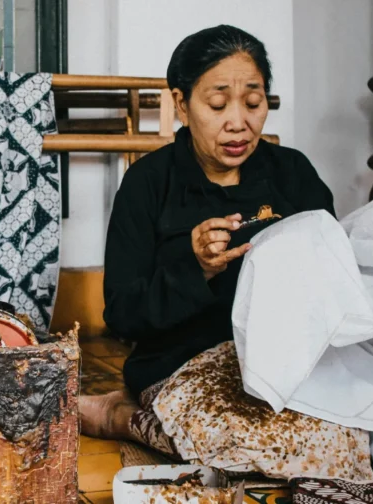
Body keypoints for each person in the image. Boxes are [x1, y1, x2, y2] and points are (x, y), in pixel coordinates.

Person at [78, 25, 336, 456]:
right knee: (247, 446)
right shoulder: (148, 184)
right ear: (181, 103)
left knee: (363, 430)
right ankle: (120, 416)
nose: (239, 122)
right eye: (217, 105)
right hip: (181, 366)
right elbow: (122, 315)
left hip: (283, 363)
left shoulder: (293, 174)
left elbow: (334, 278)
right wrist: (194, 268)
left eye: (254, 103)